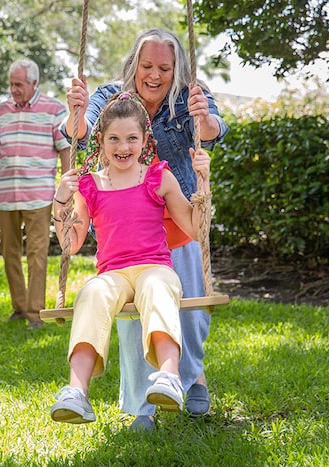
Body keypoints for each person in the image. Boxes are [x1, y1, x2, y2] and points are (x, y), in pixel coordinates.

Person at [63, 28, 229, 430]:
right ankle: (143, 407)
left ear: (178, 70)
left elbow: (215, 130)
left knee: (186, 315)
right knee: (135, 316)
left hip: (179, 215)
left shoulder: (190, 97)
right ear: (133, 65)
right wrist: (76, 113)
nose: (154, 75)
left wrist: (202, 117)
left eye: (164, 68)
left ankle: (191, 376)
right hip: (129, 226)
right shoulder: (112, 96)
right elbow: (80, 131)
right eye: (147, 65)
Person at [50, 91, 211, 424]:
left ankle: (168, 377)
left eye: (131, 139)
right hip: (114, 274)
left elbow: (197, 230)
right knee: (92, 292)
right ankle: (77, 392)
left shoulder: (158, 177)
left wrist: (203, 183)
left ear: (145, 140)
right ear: (101, 140)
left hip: (155, 266)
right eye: (114, 139)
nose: (123, 147)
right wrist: (61, 201)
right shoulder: (90, 185)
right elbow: (71, 243)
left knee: (157, 287)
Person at [0, 59, 71, 330]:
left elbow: (65, 150)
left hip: (38, 194)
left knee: (37, 252)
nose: (14, 89)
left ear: (34, 83)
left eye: (19, 84)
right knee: (9, 252)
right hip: (6, 194)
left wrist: (66, 187)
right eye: (11, 84)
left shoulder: (54, 109)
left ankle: (36, 312)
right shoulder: (2, 112)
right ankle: (20, 307)